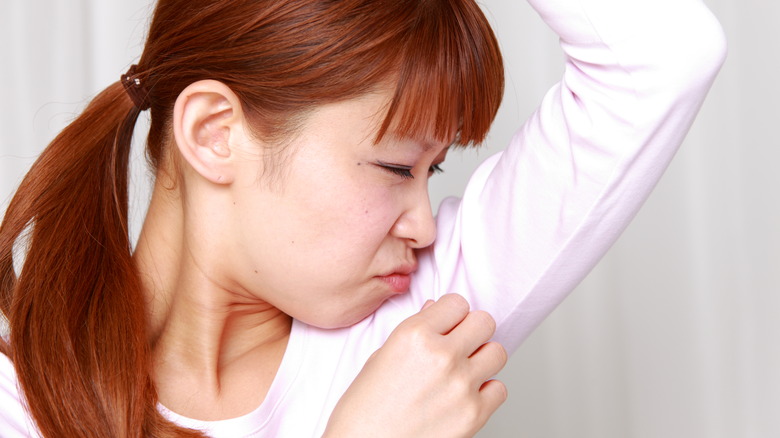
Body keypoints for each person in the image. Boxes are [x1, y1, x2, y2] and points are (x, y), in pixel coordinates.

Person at [0, 0, 726, 436]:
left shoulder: (418, 328)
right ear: (216, 134)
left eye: (432, 171)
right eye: (394, 167)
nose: (425, 226)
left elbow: (663, 57)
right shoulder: (21, 403)